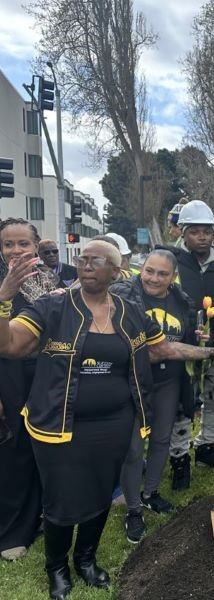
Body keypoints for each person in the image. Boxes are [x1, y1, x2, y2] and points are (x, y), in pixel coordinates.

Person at [0, 240, 214, 600]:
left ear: (116, 270)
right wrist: (3, 300)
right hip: (58, 424)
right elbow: (10, 345)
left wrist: (213, 351)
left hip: (114, 423)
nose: (86, 265)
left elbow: (163, 349)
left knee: (99, 494)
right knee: (62, 500)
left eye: (97, 260)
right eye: (83, 259)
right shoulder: (53, 307)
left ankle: (85, 560)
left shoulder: (130, 313)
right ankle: (57, 569)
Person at [112, 250, 199, 543]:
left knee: (162, 438)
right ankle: (133, 509)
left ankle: (150, 493)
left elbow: (185, 338)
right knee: (134, 448)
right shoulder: (124, 294)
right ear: (142, 268)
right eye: (149, 271)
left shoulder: (181, 300)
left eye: (162, 274)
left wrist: (198, 339)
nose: (154, 278)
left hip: (169, 380)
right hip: (135, 381)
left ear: (173, 277)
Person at [0, 218, 51, 563]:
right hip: (8, 377)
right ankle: (12, 532)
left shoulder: (48, 280)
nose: (16, 251)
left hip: (45, 375)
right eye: (8, 244)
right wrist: (4, 294)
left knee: (42, 448)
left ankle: (39, 518)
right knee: (13, 452)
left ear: (36, 246)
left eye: (23, 244)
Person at [174, 200, 214, 475]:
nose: (202, 237)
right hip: (183, 346)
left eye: (207, 231)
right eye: (195, 232)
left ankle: (206, 445)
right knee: (183, 400)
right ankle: (179, 455)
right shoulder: (172, 261)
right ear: (183, 232)